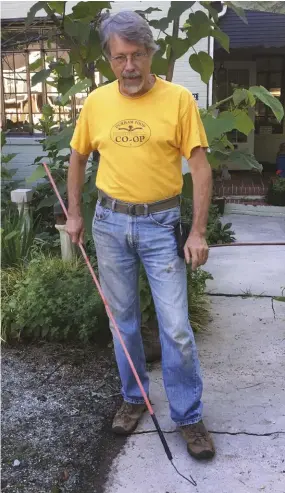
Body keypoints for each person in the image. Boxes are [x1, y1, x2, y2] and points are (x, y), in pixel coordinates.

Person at [66, 10, 215, 460]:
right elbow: (76, 159)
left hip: (160, 226)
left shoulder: (178, 101)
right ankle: (134, 399)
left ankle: (188, 416)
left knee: (176, 328)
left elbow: (201, 167)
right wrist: (74, 214)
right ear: (109, 60)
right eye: (118, 58)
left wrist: (198, 231)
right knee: (122, 321)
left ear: (150, 53)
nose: (128, 67)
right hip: (109, 224)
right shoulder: (96, 102)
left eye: (136, 56)